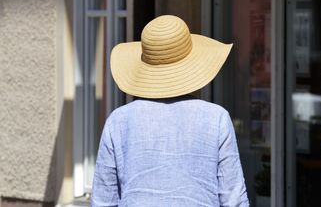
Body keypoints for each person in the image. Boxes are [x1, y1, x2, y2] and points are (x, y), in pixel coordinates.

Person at [91, 15, 249, 206]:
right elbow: (234, 199)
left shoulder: (119, 121)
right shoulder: (217, 119)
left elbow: (103, 201)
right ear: (193, 66)